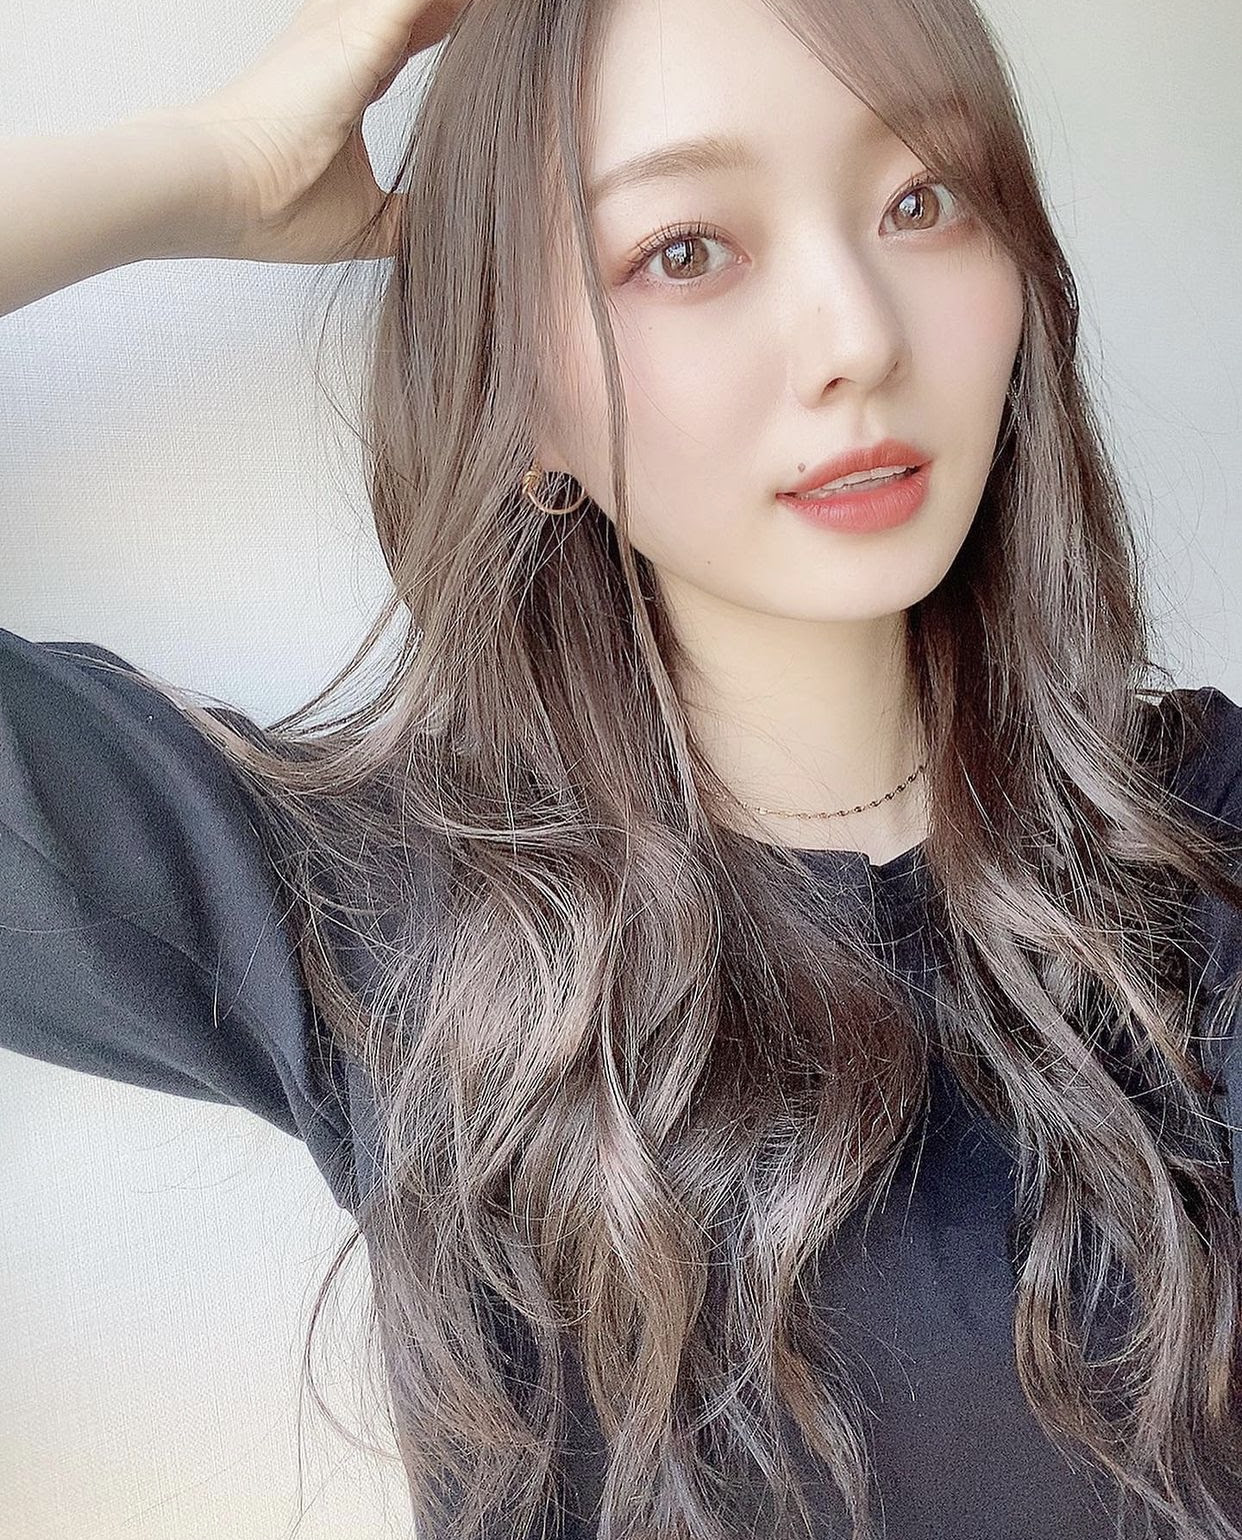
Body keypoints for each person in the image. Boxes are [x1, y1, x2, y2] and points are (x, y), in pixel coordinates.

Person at [2, 0, 1241, 1536]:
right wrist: (209, 171)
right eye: (685, 249)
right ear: (522, 388)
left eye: (920, 200)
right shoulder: (380, 918)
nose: (857, 336)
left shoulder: (1201, 838)